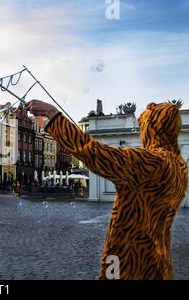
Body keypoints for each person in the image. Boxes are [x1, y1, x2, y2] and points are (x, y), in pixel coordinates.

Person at [26, 99, 187, 280]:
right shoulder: (179, 165)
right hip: (159, 260)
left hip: (128, 260)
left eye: (144, 126)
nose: (142, 132)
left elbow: (91, 151)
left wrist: (53, 114)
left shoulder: (151, 162)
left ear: (153, 128)